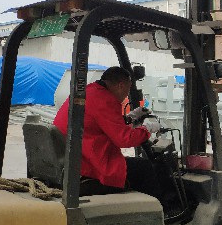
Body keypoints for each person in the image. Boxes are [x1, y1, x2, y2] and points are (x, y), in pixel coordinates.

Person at [53, 66, 164, 202]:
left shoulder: (89, 92)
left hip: (76, 158)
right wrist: (147, 129)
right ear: (121, 85)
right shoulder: (105, 100)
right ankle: (162, 209)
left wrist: (130, 117)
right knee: (145, 168)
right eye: (128, 90)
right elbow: (124, 139)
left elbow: (101, 122)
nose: (126, 95)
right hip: (89, 165)